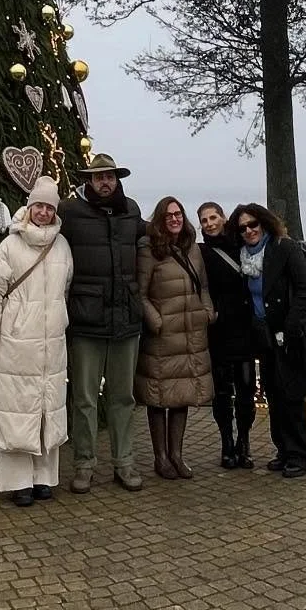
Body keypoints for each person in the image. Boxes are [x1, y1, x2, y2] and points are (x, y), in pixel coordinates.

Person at [0, 178, 73, 506]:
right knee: (18, 411)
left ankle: (43, 478)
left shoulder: (62, 246)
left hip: (52, 344)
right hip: (18, 343)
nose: (44, 212)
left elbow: (65, 289)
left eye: (49, 207)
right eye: (39, 206)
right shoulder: (10, 245)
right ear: (29, 207)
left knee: (47, 409)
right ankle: (19, 483)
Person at [58, 152, 148, 492]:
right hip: (86, 320)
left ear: (117, 179)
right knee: (84, 398)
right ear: (89, 180)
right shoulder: (69, 211)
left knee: (123, 397)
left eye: (110, 177)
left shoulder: (132, 210)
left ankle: (124, 463)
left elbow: (151, 239)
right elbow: (41, 230)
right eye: (99, 177)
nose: (105, 182)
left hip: (125, 319)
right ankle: (84, 464)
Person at [228, 202, 306, 479]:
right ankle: (283, 450)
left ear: (264, 223)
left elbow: (305, 289)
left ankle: (299, 455)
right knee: (273, 394)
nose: (248, 231)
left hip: (290, 334)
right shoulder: (245, 256)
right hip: (264, 336)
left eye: (253, 225)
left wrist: (290, 328)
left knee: (292, 396)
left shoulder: (284, 248)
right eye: (243, 227)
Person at [136, 197, 215, 479]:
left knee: (182, 395)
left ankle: (177, 455)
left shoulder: (192, 247)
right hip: (162, 335)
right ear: (160, 218)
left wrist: (207, 312)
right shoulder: (149, 249)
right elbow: (141, 293)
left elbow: (203, 285)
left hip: (190, 333)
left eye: (178, 214)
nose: (174, 219)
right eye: (168, 215)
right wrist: (155, 321)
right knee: (158, 396)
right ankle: (160, 457)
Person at [197, 201, 257, 469]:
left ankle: (244, 442)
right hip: (218, 330)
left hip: (244, 327)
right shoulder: (200, 253)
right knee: (221, 392)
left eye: (213, 217)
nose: (209, 223)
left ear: (223, 218)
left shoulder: (241, 246)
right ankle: (226, 443)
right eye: (204, 220)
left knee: (246, 389)